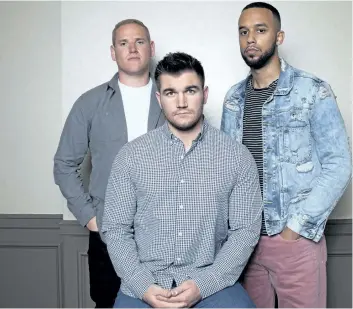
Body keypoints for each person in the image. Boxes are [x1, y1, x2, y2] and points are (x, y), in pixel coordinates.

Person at [101, 52, 263, 308]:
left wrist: (204, 284)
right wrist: (143, 286)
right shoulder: (131, 156)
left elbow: (245, 231)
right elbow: (116, 229)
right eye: (170, 93)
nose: (181, 102)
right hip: (145, 283)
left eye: (190, 90)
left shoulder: (237, 157)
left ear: (205, 94)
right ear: (159, 99)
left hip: (212, 283)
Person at [220, 2, 352, 308]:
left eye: (260, 30)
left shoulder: (312, 91)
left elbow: (339, 164)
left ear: (279, 37)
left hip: (295, 242)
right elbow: (227, 170)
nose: (250, 38)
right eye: (243, 31)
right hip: (247, 245)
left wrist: (296, 228)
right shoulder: (234, 100)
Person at [53, 19, 165, 308]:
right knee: (108, 303)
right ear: (113, 52)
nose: (132, 48)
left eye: (139, 41)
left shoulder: (172, 99)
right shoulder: (89, 103)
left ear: (151, 48)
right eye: (123, 43)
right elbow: (64, 163)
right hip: (108, 233)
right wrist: (90, 218)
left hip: (165, 231)